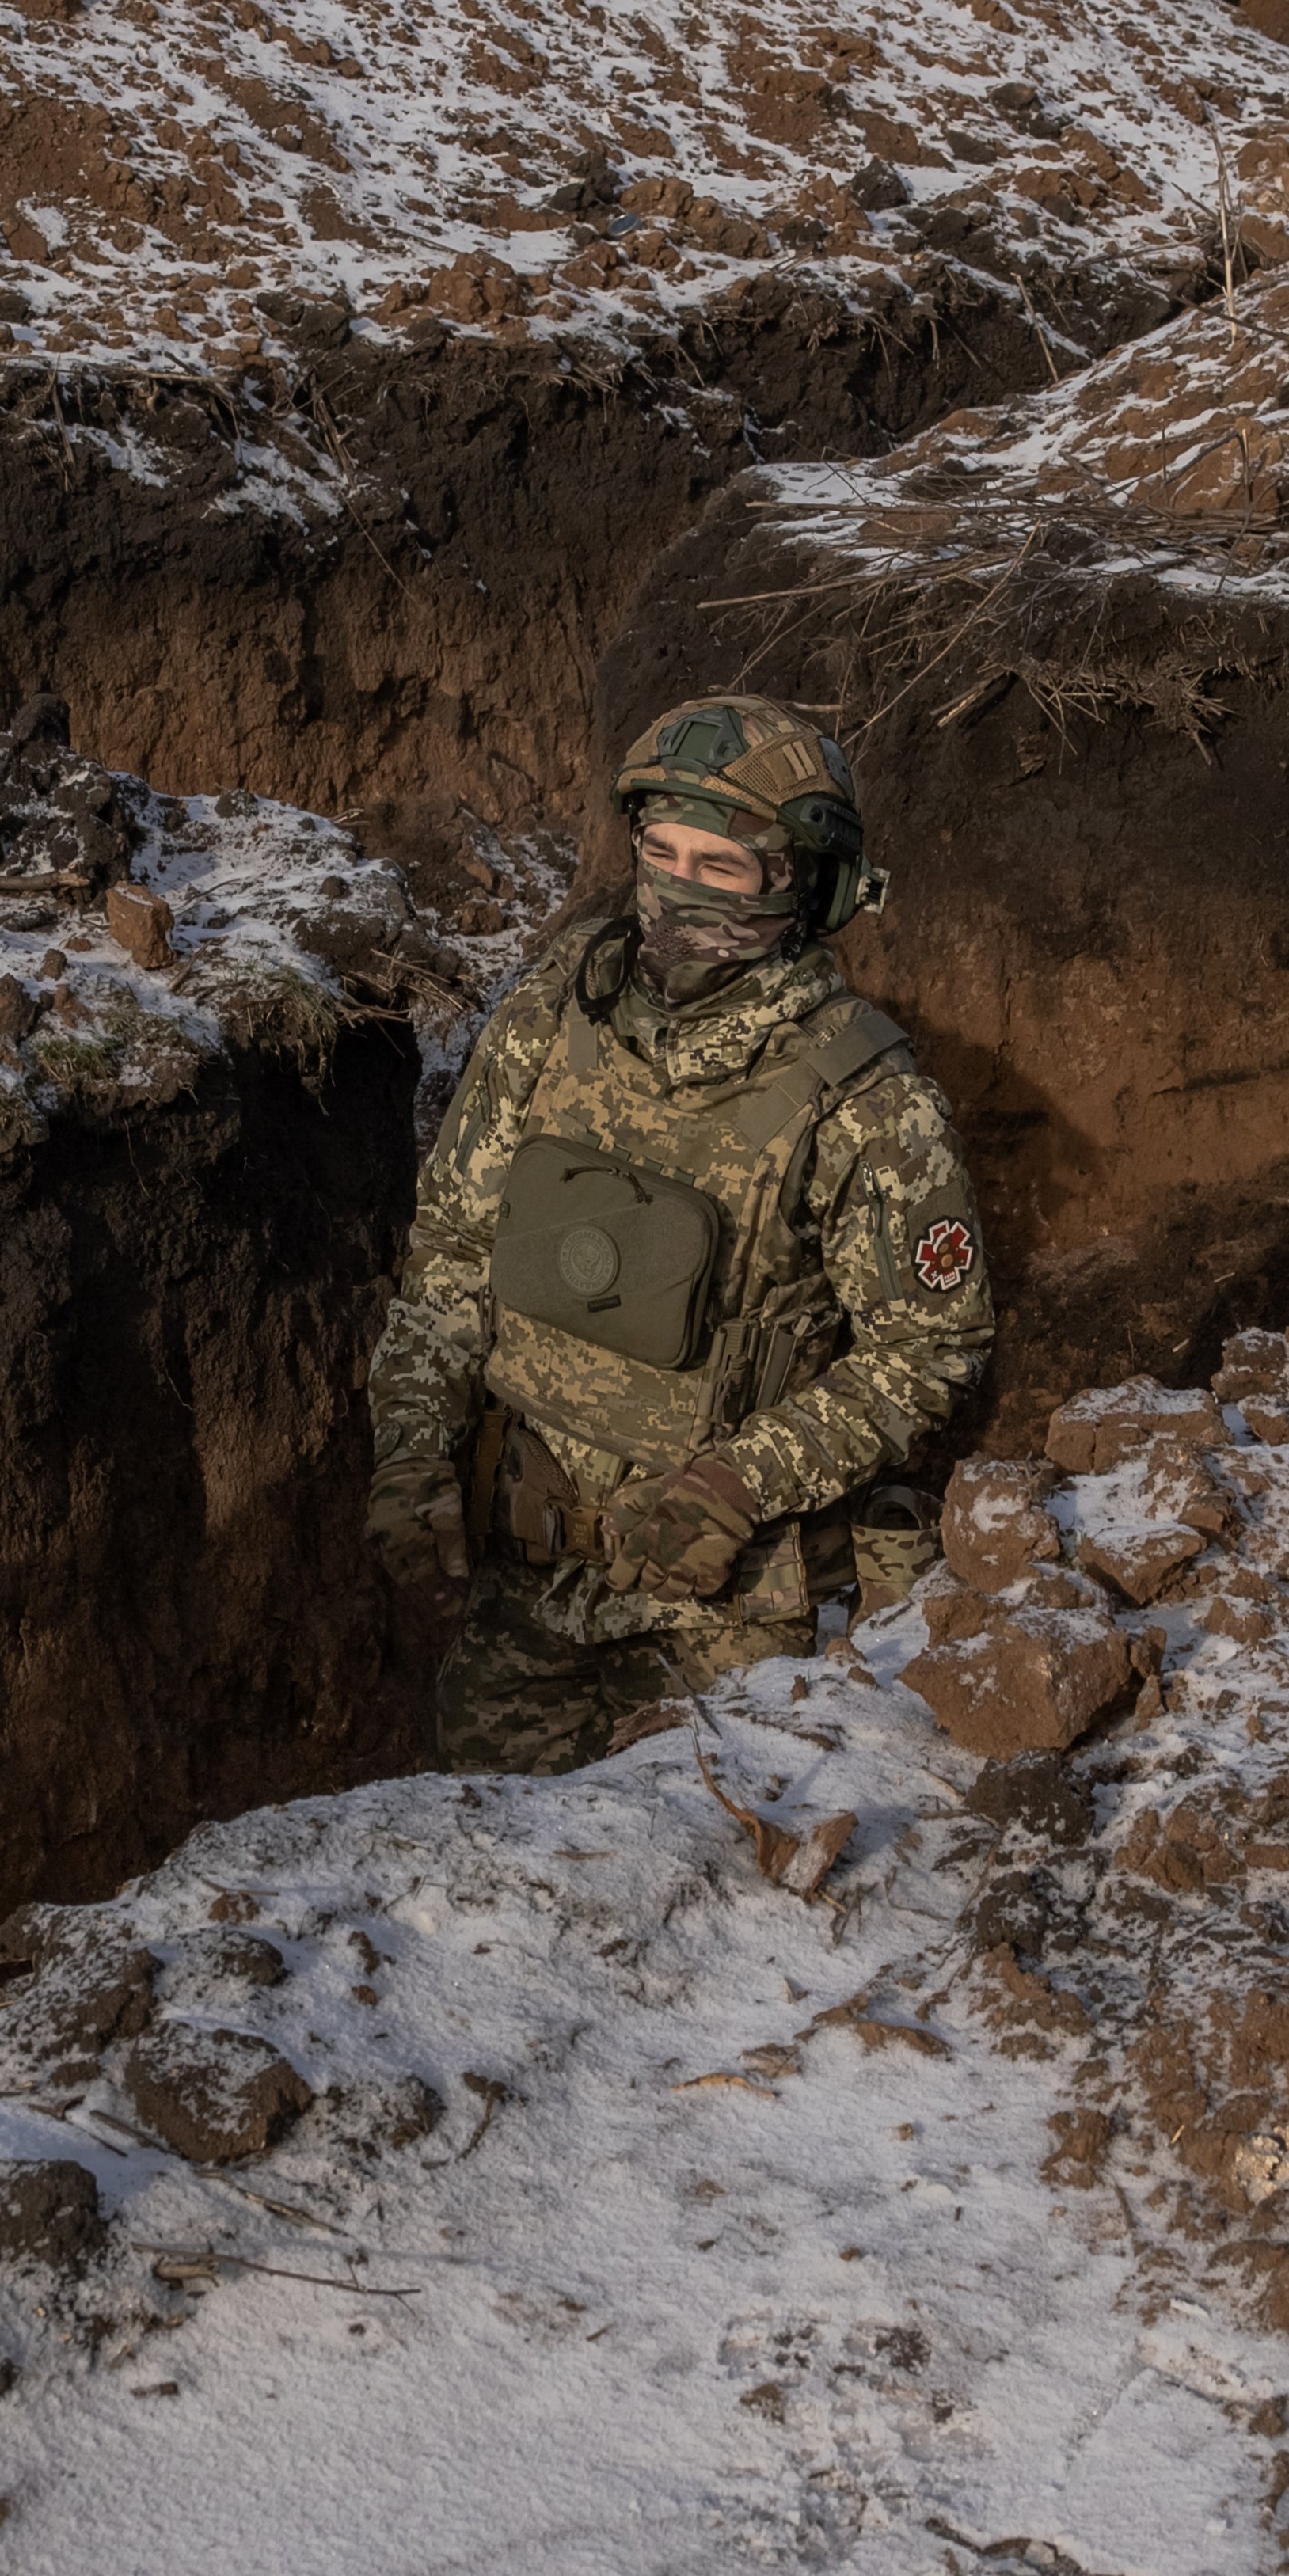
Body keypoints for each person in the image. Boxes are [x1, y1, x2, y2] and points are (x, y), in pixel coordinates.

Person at [363, 694, 995, 1771]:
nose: (681, 890)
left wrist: (736, 1479)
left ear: (811, 886)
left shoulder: (866, 1105)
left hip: (731, 1619)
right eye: (662, 850)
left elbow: (929, 1352)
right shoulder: (547, 1018)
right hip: (522, 1596)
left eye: (726, 866)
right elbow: (452, 1262)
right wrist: (411, 1445)